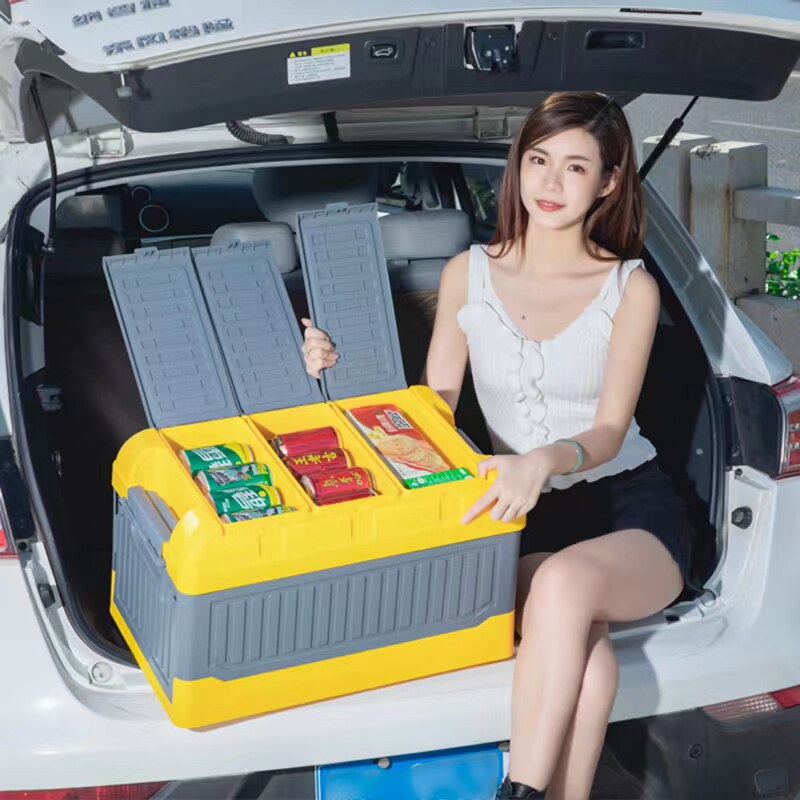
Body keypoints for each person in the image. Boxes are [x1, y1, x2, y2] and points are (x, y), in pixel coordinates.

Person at [299, 91, 695, 800]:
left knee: (567, 588)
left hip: (627, 507)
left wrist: (543, 459)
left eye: (576, 167)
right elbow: (431, 414)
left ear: (609, 182)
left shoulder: (629, 287)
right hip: (518, 517)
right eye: (538, 160)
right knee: (589, 663)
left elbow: (609, 431)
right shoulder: (468, 274)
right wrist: (338, 367)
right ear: (518, 166)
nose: (551, 182)